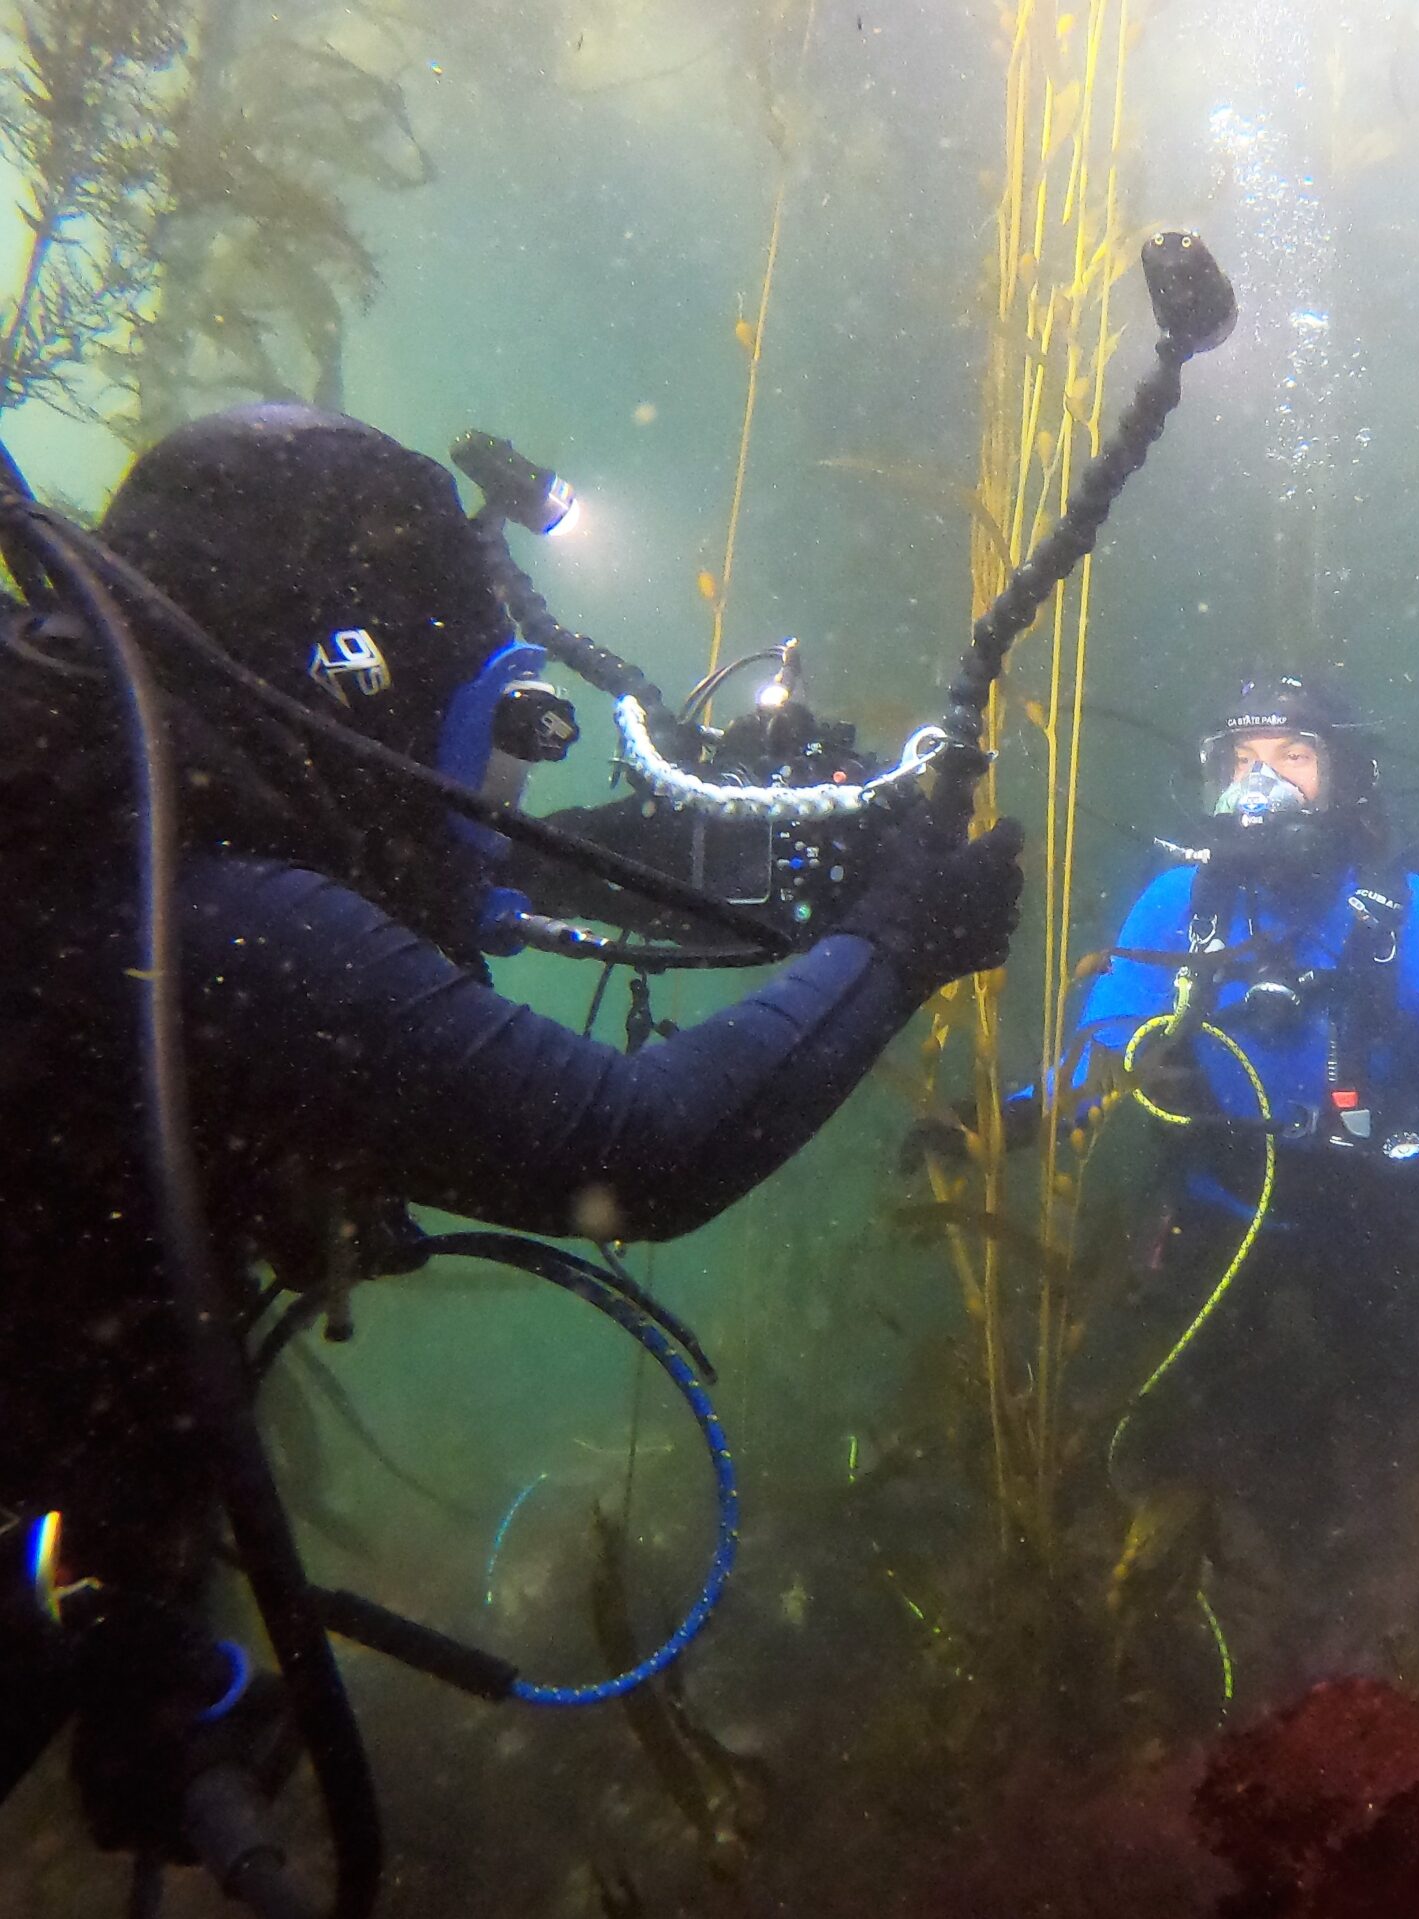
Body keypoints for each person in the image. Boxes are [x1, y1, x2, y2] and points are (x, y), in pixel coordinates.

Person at [0, 404, 1022, 1896]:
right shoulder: (207, 914)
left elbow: (492, 868)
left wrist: (783, 842)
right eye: (505, 726)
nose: (518, 785)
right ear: (354, 684)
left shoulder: (127, 847)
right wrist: (901, 942)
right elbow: (635, 1146)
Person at [1028, 673, 1419, 1686]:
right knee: (1193, 1434)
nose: (1261, 782)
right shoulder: (1180, 902)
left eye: (1293, 756)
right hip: (1216, 1205)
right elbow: (1102, 1038)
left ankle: (1408, 1639)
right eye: (1241, 757)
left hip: (1368, 1219)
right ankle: (1220, 1647)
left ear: (1347, 778)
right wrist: (1025, 1111)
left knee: (1402, 1416)